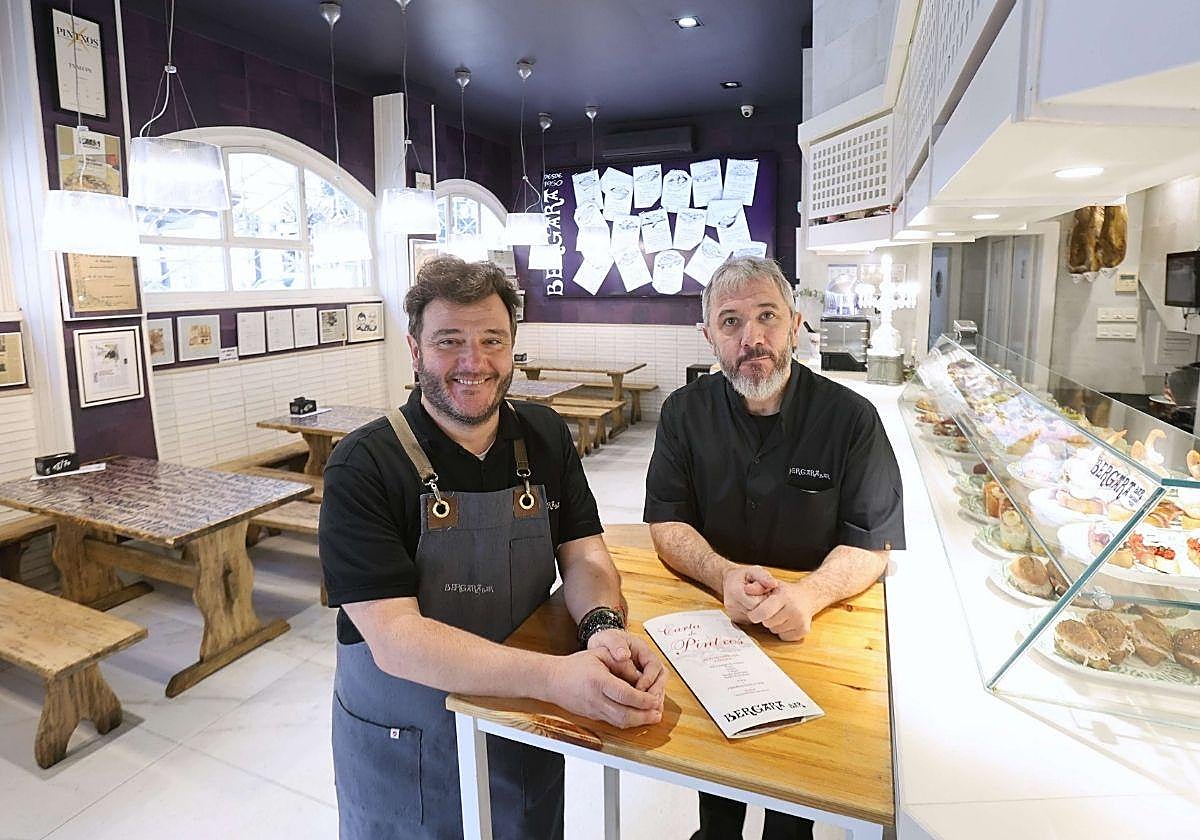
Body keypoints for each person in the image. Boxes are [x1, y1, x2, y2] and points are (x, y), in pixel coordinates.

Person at [320, 256, 668, 840]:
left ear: (513, 347)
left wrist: (602, 626)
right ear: (413, 349)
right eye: (448, 341)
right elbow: (398, 641)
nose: (472, 363)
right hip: (408, 738)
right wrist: (557, 680)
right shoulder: (364, 464)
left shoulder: (546, 435)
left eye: (492, 341)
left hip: (519, 724)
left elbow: (584, 554)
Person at [643, 257, 905, 840]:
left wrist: (809, 594)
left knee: (794, 800)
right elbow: (666, 522)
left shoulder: (851, 419)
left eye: (767, 317)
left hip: (813, 629)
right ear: (708, 334)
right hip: (717, 625)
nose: (752, 337)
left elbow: (872, 542)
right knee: (716, 779)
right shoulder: (684, 414)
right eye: (731, 322)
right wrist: (723, 575)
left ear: (795, 323)